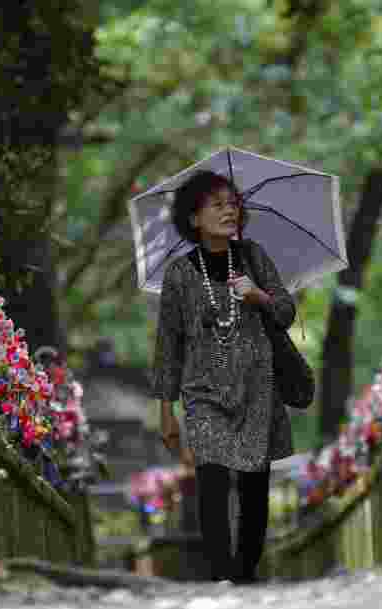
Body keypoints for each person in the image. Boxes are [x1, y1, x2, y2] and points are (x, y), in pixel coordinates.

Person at [151, 169, 295, 584]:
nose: (228, 210)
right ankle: (221, 574)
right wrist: (166, 410)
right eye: (217, 204)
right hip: (202, 392)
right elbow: (168, 344)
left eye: (233, 203)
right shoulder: (179, 274)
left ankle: (246, 572)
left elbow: (286, 313)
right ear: (194, 218)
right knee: (211, 478)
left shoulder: (254, 258)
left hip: (257, 386)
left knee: (254, 482)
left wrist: (258, 295)